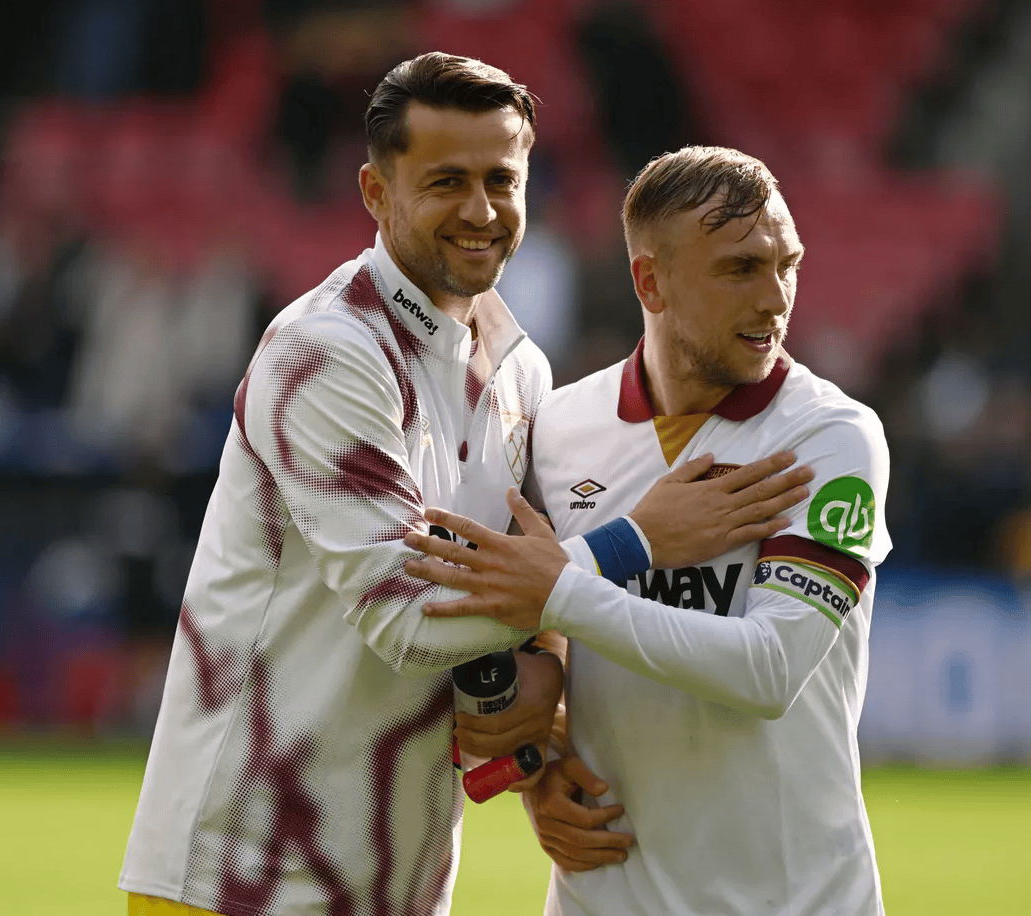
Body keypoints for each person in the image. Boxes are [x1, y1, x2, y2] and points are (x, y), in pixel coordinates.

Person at [119, 56, 811, 916]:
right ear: (376, 193)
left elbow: (518, 594)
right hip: (241, 876)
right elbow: (407, 618)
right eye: (447, 181)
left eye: (501, 180)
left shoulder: (521, 370)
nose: (481, 210)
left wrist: (540, 739)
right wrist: (637, 542)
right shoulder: (327, 353)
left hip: (398, 880)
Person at [404, 146, 893, 916]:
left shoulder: (830, 437)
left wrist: (564, 586)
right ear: (650, 282)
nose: (776, 298)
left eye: (787, 265)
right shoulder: (562, 426)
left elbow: (769, 671)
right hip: (604, 892)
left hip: (793, 900)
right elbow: (534, 638)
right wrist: (541, 769)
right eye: (741, 269)